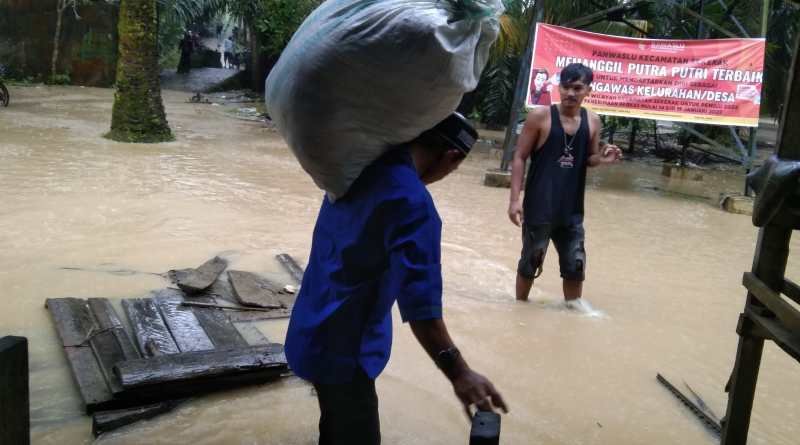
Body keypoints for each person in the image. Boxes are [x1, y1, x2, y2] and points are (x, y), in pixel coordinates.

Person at [286, 113, 508, 445]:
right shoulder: (413, 204)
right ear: (452, 157)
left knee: (335, 418)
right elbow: (422, 311)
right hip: (346, 352)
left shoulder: (353, 167)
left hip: (309, 325)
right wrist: (459, 373)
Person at [508, 63, 622, 311]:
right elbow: (519, 157)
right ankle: (519, 312)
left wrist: (603, 159)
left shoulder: (592, 120)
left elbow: (589, 159)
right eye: (566, 87)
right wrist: (515, 200)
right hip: (539, 206)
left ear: (588, 90)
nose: (571, 93)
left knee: (575, 265)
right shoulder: (540, 116)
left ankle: (572, 315)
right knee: (531, 260)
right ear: (559, 87)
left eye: (577, 88)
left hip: (571, 209)